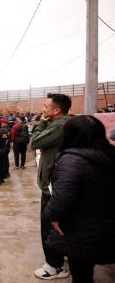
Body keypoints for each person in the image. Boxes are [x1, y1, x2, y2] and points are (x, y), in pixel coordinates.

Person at [43, 115, 115, 282]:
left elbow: (62, 198)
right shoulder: (109, 155)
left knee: (82, 274)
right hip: (106, 226)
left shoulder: (71, 160)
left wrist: (51, 215)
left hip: (82, 230)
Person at [31, 93, 72, 280]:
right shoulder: (61, 124)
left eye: (46, 106)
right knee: (59, 225)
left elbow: (36, 142)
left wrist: (40, 121)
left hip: (51, 186)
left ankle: (54, 266)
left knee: (48, 226)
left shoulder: (59, 125)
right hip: (57, 183)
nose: (43, 108)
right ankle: (61, 256)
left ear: (57, 110)